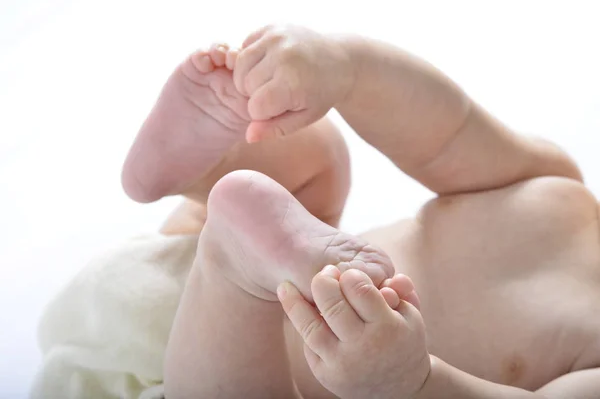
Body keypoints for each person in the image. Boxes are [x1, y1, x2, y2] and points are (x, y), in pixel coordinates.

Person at [33, 25, 600, 399]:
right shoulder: (556, 187)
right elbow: (447, 130)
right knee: (318, 146)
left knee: (266, 236)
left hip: (221, 372)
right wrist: (346, 72)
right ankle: (200, 168)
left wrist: (414, 382)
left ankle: (234, 244)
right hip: (191, 272)